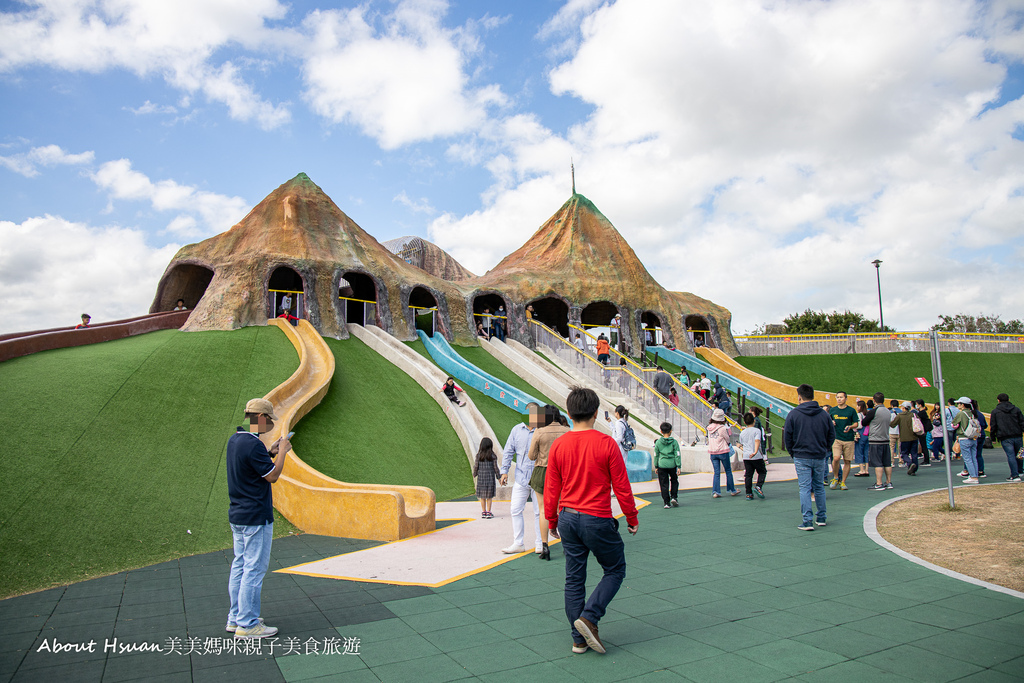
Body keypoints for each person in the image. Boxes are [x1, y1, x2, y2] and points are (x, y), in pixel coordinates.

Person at [545, 386, 639, 655]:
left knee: (574, 579)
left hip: (567, 518)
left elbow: (552, 487)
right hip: (596, 517)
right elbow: (622, 485)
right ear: (596, 413)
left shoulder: (559, 445)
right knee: (615, 569)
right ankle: (589, 617)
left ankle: (579, 639)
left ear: (569, 413)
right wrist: (631, 517)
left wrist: (551, 520)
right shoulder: (605, 443)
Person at [226, 398, 289, 639]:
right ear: (260, 419)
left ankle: (236, 617)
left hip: (239, 514)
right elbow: (272, 476)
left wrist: (270, 452)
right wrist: (282, 453)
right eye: (268, 420)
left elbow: (253, 467)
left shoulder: (236, 440)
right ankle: (248, 623)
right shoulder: (253, 445)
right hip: (255, 516)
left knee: (240, 565)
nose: (270, 425)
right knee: (254, 568)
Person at [784, 384, 834, 530]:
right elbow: (831, 434)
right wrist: (825, 448)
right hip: (819, 454)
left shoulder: (793, 414)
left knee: (805, 488)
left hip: (801, 455)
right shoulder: (823, 414)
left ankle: (807, 520)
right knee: (819, 486)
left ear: (799, 396)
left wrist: (792, 452)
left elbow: (787, 436)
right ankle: (822, 516)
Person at [528, 405, 571, 560]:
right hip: (562, 472)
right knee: (563, 508)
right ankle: (567, 545)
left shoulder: (539, 431)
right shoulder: (567, 431)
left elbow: (531, 456)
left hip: (542, 471)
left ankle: (544, 545)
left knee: (543, 510)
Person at [500, 403, 543, 554]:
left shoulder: (542, 430)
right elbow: (508, 450)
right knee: (515, 509)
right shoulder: (516, 430)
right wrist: (504, 471)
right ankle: (518, 542)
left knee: (539, 512)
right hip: (521, 477)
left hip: (538, 478)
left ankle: (540, 542)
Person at [862, 392, 893, 490]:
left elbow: (864, 422)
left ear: (874, 400)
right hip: (885, 439)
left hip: (875, 439)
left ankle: (879, 483)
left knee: (877, 462)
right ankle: (888, 482)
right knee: (887, 462)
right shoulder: (888, 411)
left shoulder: (874, 412)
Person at [990, 393, 1024, 482]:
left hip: (1004, 436)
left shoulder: (995, 411)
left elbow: (993, 425)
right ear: (1008, 399)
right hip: (1017, 435)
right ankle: (1020, 470)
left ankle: (1015, 475)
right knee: (1020, 454)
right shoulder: (1016, 409)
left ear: (998, 400)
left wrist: (993, 437)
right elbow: (1022, 422)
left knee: (1011, 455)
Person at [828, 392, 857, 489]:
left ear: (846, 399)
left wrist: (850, 426)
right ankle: (836, 477)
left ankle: (843, 481)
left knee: (847, 461)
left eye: (841, 397)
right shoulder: (832, 410)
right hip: (837, 438)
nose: (839, 399)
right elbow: (828, 421)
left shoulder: (851, 410)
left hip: (848, 439)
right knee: (836, 458)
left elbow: (856, 423)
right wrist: (831, 422)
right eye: (838, 397)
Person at [707, 408, 736, 498]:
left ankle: (716, 491)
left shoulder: (709, 428)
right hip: (723, 451)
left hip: (713, 452)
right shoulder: (722, 428)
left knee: (716, 472)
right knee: (728, 470)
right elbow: (727, 439)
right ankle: (732, 490)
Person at [954, 396, 981, 484]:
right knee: (973, 458)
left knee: (967, 458)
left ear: (963, 405)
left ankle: (973, 477)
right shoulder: (973, 413)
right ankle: (974, 475)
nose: (958, 405)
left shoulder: (961, 414)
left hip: (964, 437)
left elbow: (953, 424)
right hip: (973, 438)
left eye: (959, 403)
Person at [654, 422, 681, 508]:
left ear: (661, 431)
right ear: (670, 431)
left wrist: (656, 466)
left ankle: (666, 502)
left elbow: (656, 454)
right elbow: (677, 454)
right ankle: (674, 497)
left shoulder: (658, 442)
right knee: (674, 480)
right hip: (672, 465)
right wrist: (679, 466)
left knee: (663, 483)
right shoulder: (674, 442)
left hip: (662, 465)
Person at [739, 412, 766, 499]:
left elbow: (742, 444)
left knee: (748, 474)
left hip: (746, 456)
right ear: (754, 421)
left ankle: (748, 493)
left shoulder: (742, 433)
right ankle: (758, 486)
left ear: (744, 422)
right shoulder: (757, 430)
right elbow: (757, 440)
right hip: (756, 455)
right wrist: (755, 451)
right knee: (762, 471)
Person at [473, 438, 500, 519]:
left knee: (482, 496)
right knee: (489, 496)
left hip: (481, 478)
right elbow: (496, 468)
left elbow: (476, 466)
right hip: (490, 478)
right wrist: (499, 477)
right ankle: (488, 512)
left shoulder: (479, 456)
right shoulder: (493, 456)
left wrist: (475, 473)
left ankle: (483, 512)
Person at [891, 401, 920, 474]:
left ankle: (909, 463)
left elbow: (893, 424)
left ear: (903, 407)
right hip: (914, 437)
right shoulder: (913, 414)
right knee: (914, 454)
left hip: (904, 438)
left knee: (904, 453)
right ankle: (914, 468)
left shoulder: (900, 415)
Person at [853, 400, 871, 476]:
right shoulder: (867, 414)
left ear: (860, 407)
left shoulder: (859, 415)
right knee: (866, 451)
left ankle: (861, 470)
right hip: (868, 433)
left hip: (861, 433)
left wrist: (854, 429)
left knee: (859, 451)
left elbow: (859, 425)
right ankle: (866, 469)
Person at [972, 398, 988, 477]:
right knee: (979, 454)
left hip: (974, 435)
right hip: (981, 434)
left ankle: (969, 470)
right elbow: (985, 425)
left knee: (970, 454)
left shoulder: (971, 414)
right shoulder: (980, 414)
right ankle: (981, 470)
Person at [914, 400, 931, 466]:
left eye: (917, 404)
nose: (916, 406)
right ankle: (926, 460)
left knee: (923, 445)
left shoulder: (921, 413)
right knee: (923, 445)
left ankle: (926, 460)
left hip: (922, 431)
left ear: (920, 405)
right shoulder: (923, 412)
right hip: (924, 430)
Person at [888, 400, 902, 465]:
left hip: (891, 431)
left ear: (892, 405)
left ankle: (891, 462)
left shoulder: (890, 412)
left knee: (891, 447)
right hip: (900, 432)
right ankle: (901, 462)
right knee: (900, 447)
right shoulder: (901, 412)